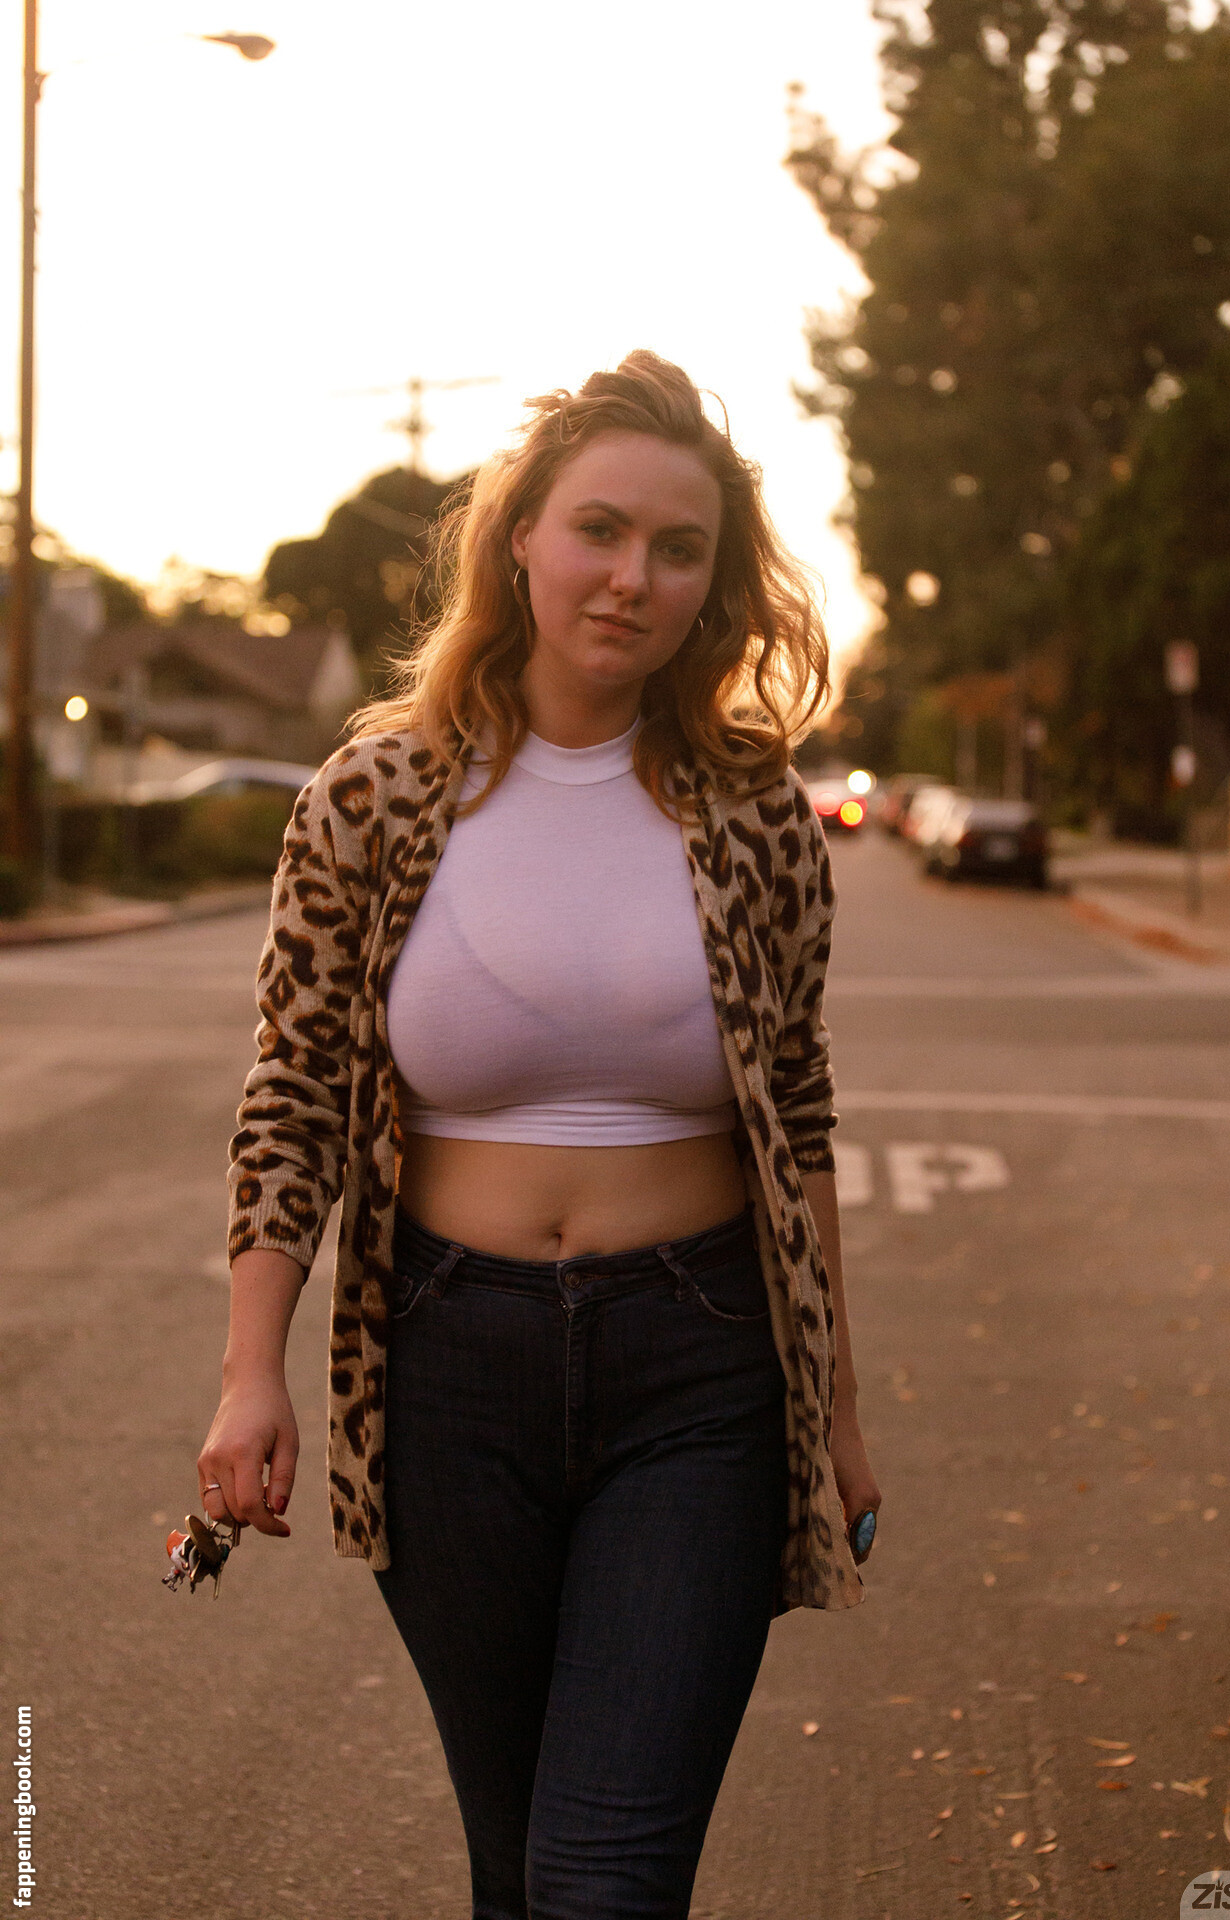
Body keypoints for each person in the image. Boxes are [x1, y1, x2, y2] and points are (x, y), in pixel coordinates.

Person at [198, 349, 880, 1920]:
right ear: (520, 542)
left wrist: (836, 1404)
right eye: (600, 530)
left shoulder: (757, 815)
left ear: (714, 589)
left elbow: (799, 1112)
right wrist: (250, 1371)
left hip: (701, 1369)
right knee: (517, 1873)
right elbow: (294, 1089)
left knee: (601, 1876)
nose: (633, 577)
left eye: (679, 549)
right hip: (448, 1369)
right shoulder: (373, 798)